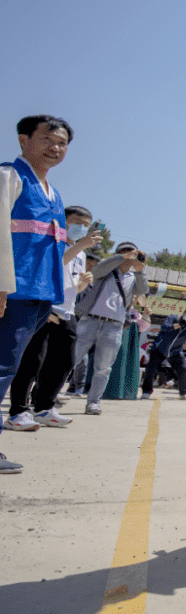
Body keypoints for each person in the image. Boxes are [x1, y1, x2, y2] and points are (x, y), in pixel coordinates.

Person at [0, 116, 72, 474]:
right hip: (11, 291)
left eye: (61, 144)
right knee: (0, 369)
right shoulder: (8, 177)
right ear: (23, 139)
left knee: (8, 369)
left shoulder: (53, 193)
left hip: (39, 295)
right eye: (46, 139)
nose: (54, 148)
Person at [5, 206, 98, 430]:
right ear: (63, 221)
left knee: (64, 362)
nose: (82, 228)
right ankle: (17, 411)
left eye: (86, 225)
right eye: (77, 222)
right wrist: (79, 246)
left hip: (67, 312)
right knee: (32, 362)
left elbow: (72, 285)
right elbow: (51, 268)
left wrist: (85, 281)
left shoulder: (81, 253)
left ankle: (44, 407)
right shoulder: (52, 243)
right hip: (46, 309)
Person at [73, 242, 149, 414]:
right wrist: (121, 258)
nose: (128, 255)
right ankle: (49, 396)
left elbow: (143, 290)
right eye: (123, 252)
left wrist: (140, 269)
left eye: (132, 253)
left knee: (103, 367)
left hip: (114, 325)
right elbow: (96, 271)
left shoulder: (133, 277)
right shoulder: (105, 271)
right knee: (70, 359)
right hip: (90, 320)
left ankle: (93, 402)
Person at [141, 306, 186, 400]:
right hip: (160, 348)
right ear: (184, 312)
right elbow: (164, 328)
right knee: (150, 369)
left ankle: (184, 393)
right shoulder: (173, 317)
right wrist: (180, 324)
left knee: (183, 370)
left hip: (175, 351)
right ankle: (146, 392)